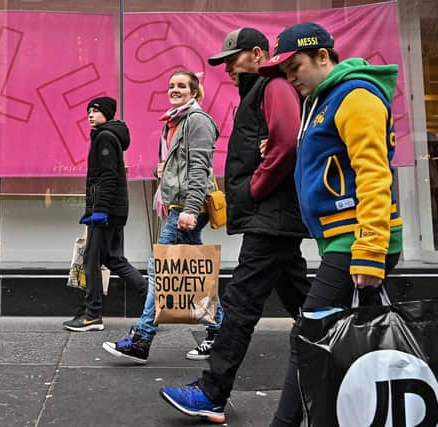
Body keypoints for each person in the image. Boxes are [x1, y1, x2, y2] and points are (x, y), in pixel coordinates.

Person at [159, 28, 311, 424]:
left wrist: (258, 186)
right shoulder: (260, 90)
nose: (226, 66)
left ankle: (212, 392)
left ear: (259, 54)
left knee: (241, 303)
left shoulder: (271, 85)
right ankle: (348, 357)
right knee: (307, 304)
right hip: (274, 218)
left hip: (271, 218)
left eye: (234, 58)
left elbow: (289, 143)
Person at [256, 22, 403, 426]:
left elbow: (374, 176)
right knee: (353, 337)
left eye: (295, 67)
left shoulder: (354, 96)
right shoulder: (322, 100)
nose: (290, 78)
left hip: (357, 239)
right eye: (285, 73)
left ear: (324, 56)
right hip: (344, 238)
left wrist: (370, 253)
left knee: (309, 333)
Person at [102, 70, 224, 364]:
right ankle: (221, 332)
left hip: (187, 206)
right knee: (194, 270)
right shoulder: (174, 121)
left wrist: (191, 210)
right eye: (171, 85)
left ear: (194, 92)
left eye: (182, 86)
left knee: (160, 268)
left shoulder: (196, 121)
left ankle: (141, 339)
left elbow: (200, 168)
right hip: (178, 205)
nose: (175, 89)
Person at [63, 96, 147, 332]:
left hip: (107, 211)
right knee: (113, 259)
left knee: (91, 259)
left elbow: (108, 177)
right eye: (88, 111)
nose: (90, 114)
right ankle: (154, 303)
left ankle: (92, 315)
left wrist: (98, 211)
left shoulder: (105, 137)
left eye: (95, 111)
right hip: (114, 210)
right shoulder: (108, 135)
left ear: (107, 114)